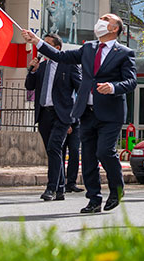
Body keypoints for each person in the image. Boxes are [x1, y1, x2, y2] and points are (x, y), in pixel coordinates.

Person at [23, 13, 137, 213]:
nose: (100, 21)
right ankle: (94, 199)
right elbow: (60, 56)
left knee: (105, 152)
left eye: (105, 19)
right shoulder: (88, 48)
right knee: (89, 157)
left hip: (111, 113)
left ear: (114, 28)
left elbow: (131, 81)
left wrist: (112, 87)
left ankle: (117, 189)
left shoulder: (124, 53)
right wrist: (38, 42)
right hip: (86, 111)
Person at [24, 33, 82, 201]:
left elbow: (80, 89)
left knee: (54, 148)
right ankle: (61, 188)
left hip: (62, 115)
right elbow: (29, 86)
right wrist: (32, 71)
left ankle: (51, 188)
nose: (43, 48)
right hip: (44, 114)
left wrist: (76, 116)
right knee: (53, 152)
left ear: (56, 48)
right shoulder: (41, 66)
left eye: (47, 44)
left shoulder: (69, 65)